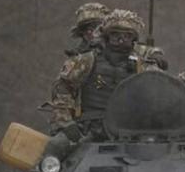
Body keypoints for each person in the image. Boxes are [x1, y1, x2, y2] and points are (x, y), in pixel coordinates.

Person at [48, 10, 164, 138]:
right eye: (115, 34)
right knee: (57, 145)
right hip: (89, 129)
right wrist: (65, 122)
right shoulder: (87, 60)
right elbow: (63, 87)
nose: (121, 39)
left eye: (127, 36)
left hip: (130, 131)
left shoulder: (143, 65)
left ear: (133, 39)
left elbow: (159, 95)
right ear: (107, 36)